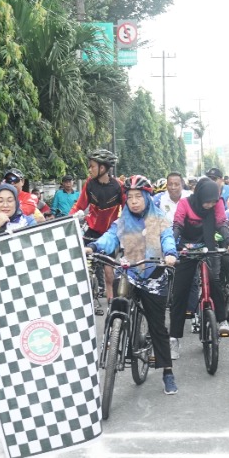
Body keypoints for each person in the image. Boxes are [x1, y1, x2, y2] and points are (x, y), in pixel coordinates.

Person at [88, 176, 180, 394]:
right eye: (130, 197)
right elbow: (111, 237)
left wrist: (170, 253)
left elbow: (167, 237)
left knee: (157, 327)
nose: (134, 201)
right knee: (117, 304)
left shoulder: (159, 218)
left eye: (138, 196)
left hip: (153, 275)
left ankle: (167, 372)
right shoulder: (123, 220)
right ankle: (113, 338)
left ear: (147, 197)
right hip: (129, 272)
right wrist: (95, 247)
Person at [169, 177, 229, 354]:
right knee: (180, 292)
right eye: (208, 202)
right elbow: (178, 225)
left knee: (214, 281)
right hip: (187, 249)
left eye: (213, 202)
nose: (210, 205)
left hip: (208, 247)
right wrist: (170, 246)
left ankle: (222, 320)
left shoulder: (217, 203)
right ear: (199, 196)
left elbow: (221, 223)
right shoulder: (185, 203)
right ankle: (174, 338)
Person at [71, 149, 125, 308]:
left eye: (92, 166)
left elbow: (126, 211)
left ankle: (111, 304)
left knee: (109, 274)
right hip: (91, 230)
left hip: (109, 234)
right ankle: (82, 302)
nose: (89, 169)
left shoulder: (119, 186)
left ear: (103, 168)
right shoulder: (89, 183)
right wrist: (69, 218)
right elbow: (79, 206)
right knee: (81, 268)